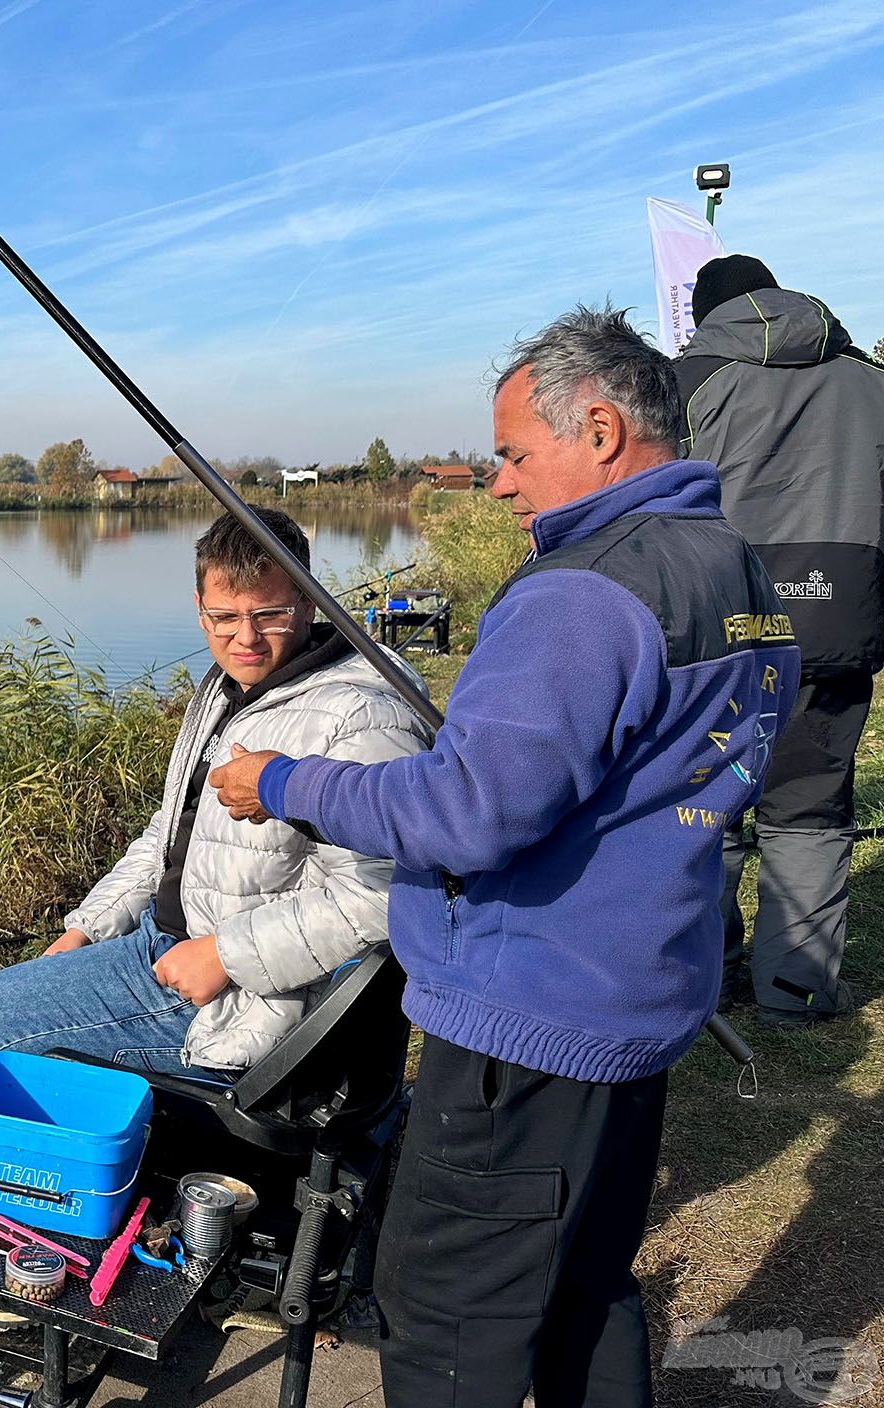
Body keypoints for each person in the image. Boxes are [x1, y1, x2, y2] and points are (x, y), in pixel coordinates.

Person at [210, 307, 800, 1408]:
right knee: (586, 1284)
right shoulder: (739, 569)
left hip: (529, 1023)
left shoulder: (580, 595)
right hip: (640, 1001)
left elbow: (463, 812)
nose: (497, 484)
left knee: (446, 1319)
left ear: (605, 430)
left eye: (514, 454)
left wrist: (282, 781)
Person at [0, 508, 430, 1077]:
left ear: (308, 602)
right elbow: (172, 828)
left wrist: (225, 955)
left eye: (268, 614)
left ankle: (122, 1149)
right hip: (174, 939)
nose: (245, 637)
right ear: (199, 610)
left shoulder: (361, 716)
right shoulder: (230, 688)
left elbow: (387, 895)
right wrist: (88, 926)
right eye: (224, 617)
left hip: (247, 998)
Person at [675, 255, 884, 1025]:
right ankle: (795, 994)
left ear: (707, 314)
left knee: (704, 802)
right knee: (812, 807)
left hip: (721, 625)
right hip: (838, 618)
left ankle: (703, 972)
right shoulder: (869, 379)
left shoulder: (688, 379)